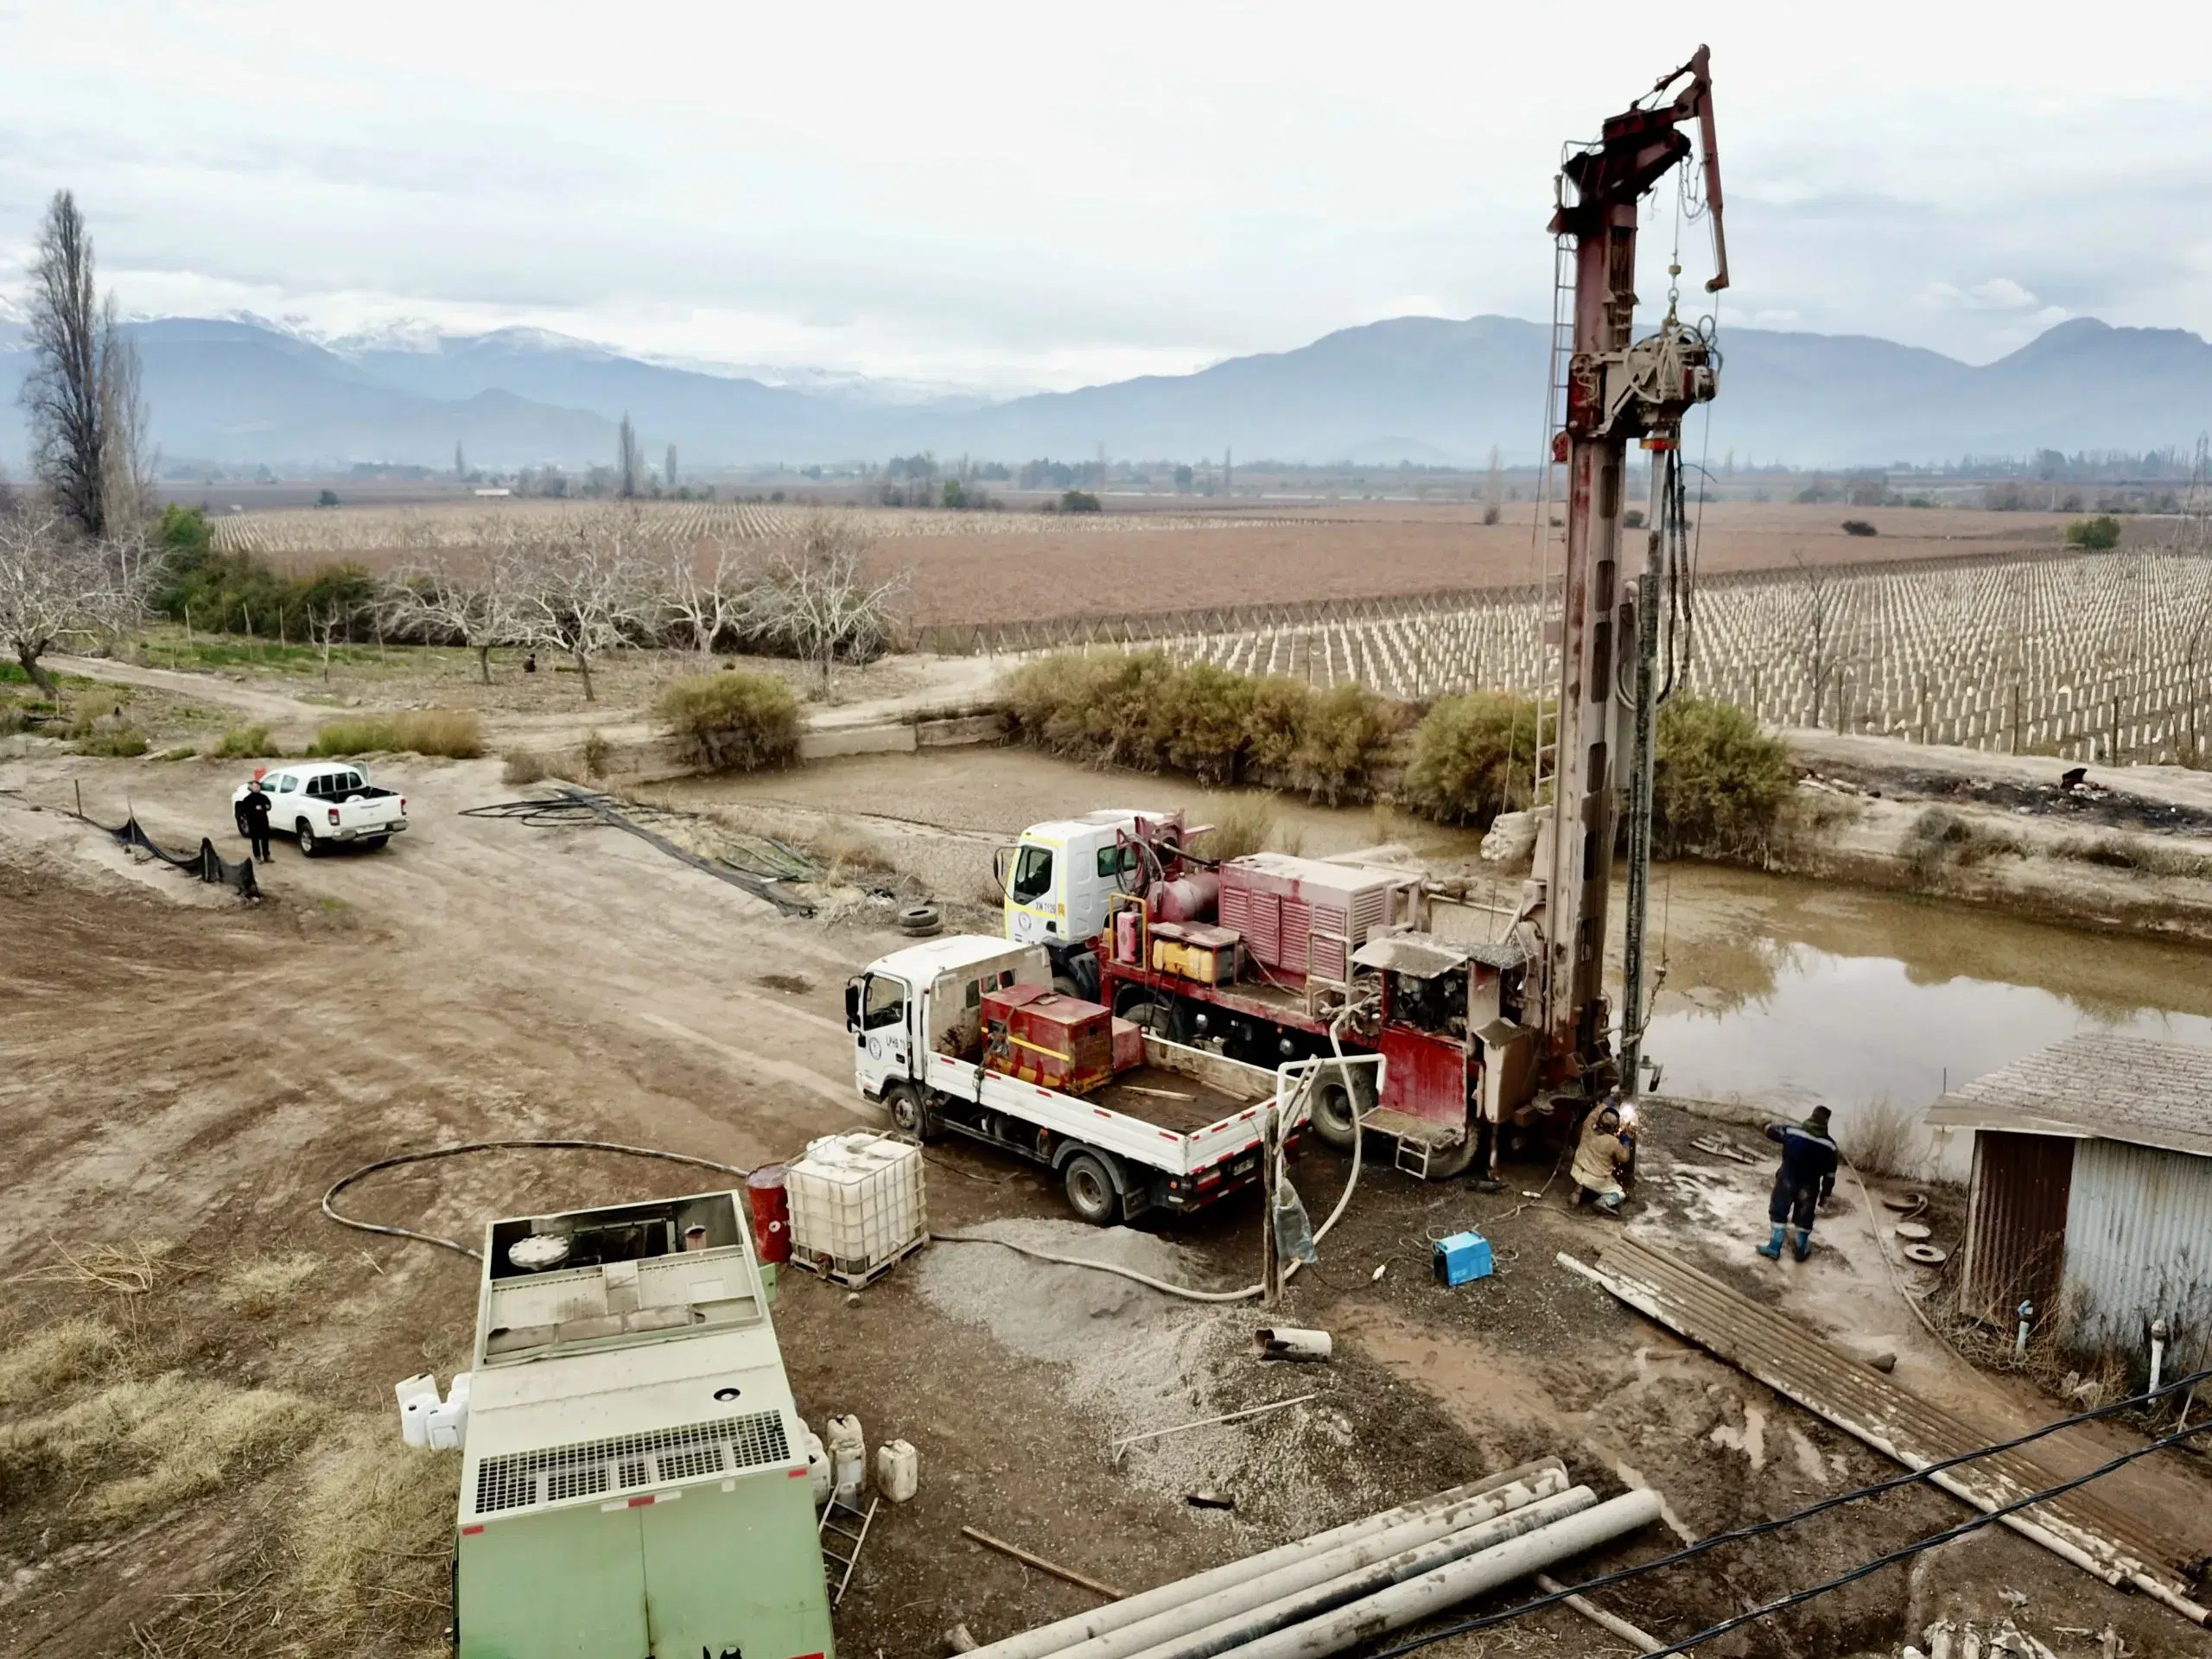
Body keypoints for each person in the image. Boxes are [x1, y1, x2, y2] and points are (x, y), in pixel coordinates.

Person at [1759, 1106, 1839, 1262]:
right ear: (1826, 1122)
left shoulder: (1793, 1131)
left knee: (1779, 1211)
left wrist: (1765, 1123)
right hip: (1809, 1188)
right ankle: (1801, 1249)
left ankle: (1774, 1247)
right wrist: (1825, 1195)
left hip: (1786, 1180)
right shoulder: (1830, 1146)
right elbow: (1830, 1175)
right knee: (1804, 1216)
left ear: (1812, 1116)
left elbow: (1770, 1131)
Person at [1571, 1096, 1634, 1217]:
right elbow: (1624, 1158)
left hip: (1577, 1171)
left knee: (1584, 1173)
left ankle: (1578, 1191)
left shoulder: (1588, 1126)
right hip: (1594, 1180)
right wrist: (1626, 1142)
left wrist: (1606, 1103)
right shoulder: (1613, 1142)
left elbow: (1594, 1113)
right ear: (1615, 1127)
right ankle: (1603, 1202)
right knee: (1620, 1193)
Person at [239, 778, 274, 863]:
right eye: (254, 787)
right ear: (252, 788)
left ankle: (266, 855)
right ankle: (257, 857)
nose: (256, 788)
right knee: (255, 840)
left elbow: (268, 805)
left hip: (263, 821)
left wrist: (266, 807)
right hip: (253, 822)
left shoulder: (264, 797)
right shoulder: (248, 799)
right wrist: (254, 810)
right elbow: (244, 810)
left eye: (258, 786)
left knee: (265, 838)